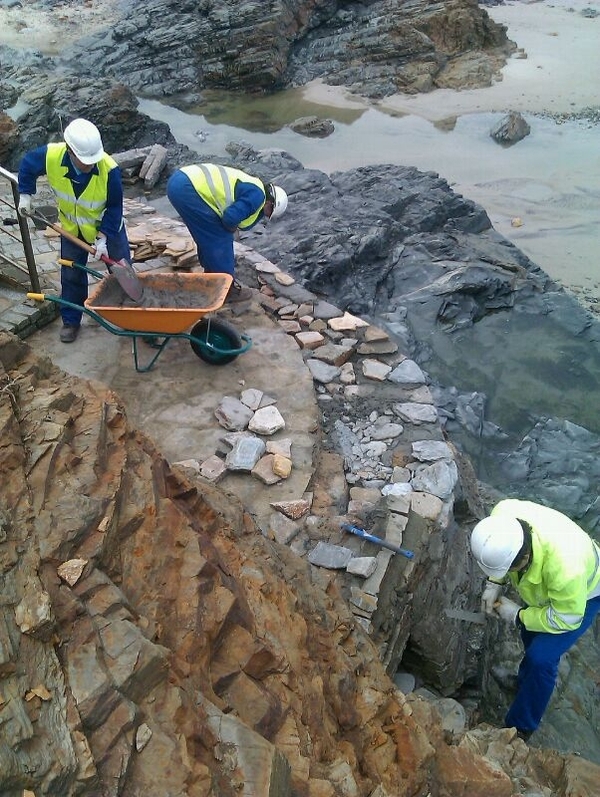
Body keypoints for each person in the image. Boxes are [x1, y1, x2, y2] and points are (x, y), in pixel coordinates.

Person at [471, 498, 600, 741]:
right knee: (530, 635)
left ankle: (521, 727)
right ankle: (524, 682)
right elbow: (504, 562)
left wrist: (517, 615)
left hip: (584, 593)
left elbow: (567, 618)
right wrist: (494, 583)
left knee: (541, 658)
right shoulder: (502, 517)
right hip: (547, 585)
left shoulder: (566, 568)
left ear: (525, 556)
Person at [18, 118, 130, 343]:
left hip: (108, 230)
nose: (89, 165)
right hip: (72, 229)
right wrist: (25, 194)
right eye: (84, 160)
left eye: (92, 160)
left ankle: (136, 317)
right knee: (71, 275)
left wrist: (103, 238)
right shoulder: (51, 156)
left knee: (123, 273)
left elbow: (115, 206)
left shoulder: (109, 170)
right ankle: (71, 321)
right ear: (70, 150)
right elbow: (27, 165)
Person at [166, 163, 288, 302]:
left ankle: (211, 277)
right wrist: (230, 228)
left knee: (206, 237)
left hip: (180, 181)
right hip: (187, 188)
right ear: (271, 204)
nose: (265, 216)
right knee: (220, 238)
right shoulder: (257, 196)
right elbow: (230, 218)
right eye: (268, 213)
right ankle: (226, 289)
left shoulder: (254, 186)